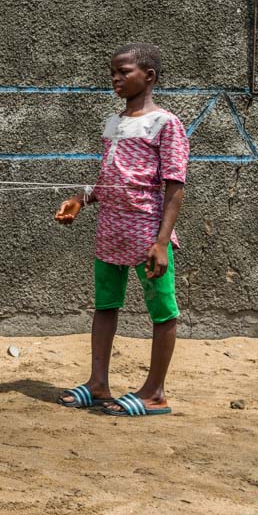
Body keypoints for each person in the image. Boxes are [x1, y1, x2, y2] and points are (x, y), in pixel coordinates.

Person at [54, 42, 188, 417]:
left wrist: (162, 242)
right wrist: (81, 199)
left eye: (123, 71)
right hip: (110, 229)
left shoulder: (166, 124)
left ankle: (155, 391)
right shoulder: (114, 123)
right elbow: (109, 178)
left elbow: (174, 186)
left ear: (149, 77)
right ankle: (98, 382)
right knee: (105, 305)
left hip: (147, 231)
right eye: (112, 72)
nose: (115, 78)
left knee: (162, 310)